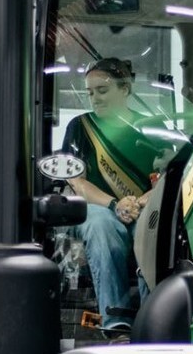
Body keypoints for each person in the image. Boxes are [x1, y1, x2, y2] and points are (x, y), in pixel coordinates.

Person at [61, 56, 158, 334]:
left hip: (143, 206)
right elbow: (77, 182)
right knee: (102, 224)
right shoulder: (80, 127)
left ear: (124, 89)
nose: (95, 98)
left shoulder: (151, 128)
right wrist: (116, 204)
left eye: (102, 90)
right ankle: (116, 323)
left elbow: (169, 175)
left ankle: (153, 321)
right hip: (97, 208)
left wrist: (139, 202)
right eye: (90, 93)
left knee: (151, 227)